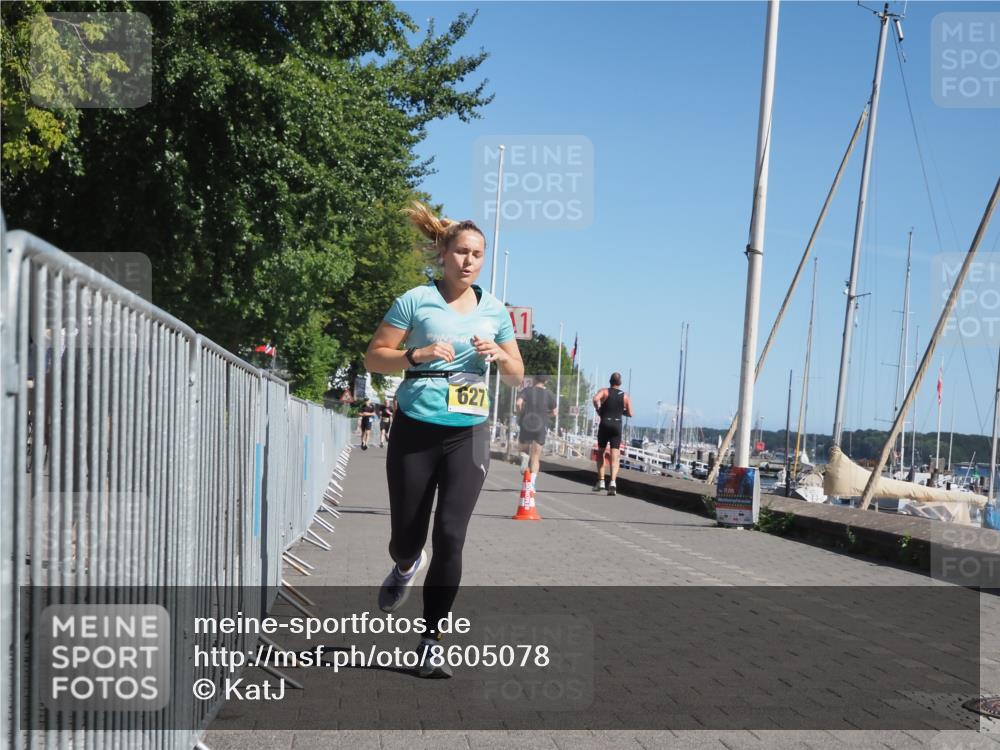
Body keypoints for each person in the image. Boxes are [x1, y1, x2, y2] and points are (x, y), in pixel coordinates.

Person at [363, 201, 524, 678]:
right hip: (416, 427)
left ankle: (431, 641)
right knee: (407, 538)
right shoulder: (415, 300)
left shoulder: (495, 311)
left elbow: (516, 376)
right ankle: (406, 564)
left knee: (451, 536)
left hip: (469, 433)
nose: (469, 261)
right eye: (461, 252)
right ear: (444, 254)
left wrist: (499, 355)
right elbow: (375, 357)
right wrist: (416, 354)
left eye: (477, 253)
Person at [516, 373, 557, 499]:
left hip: (527, 423)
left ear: (534, 380)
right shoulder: (549, 394)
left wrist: (521, 413)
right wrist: (546, 416)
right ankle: (532, 484)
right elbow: (555, 412)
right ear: (546, 381)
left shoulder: (527, 390)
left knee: (524, 449)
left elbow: (518, 403)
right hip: (540, 425)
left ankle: (523, 457)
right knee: (536, 456)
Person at [592, 372, 634, 496]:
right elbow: (631, 413)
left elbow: (595, 399)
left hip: (605, 423)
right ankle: (613, 483)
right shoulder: (625, 396)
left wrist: (598, 409)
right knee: (615, 455)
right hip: (617, 425)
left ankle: (601, 481)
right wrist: (622, 412)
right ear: (620, 383)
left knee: (601, 452)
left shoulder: (605, 391)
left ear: (610, 381)